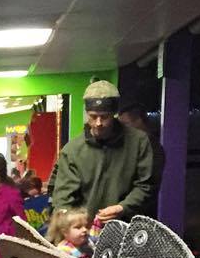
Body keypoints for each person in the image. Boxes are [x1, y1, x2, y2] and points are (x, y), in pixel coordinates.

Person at [51, 81, 154, 224]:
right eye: (93, 116)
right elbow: (63, 198)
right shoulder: (72, 150)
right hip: (84, 234)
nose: (98, 123)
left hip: (128, 229)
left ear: (114, 114)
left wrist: (122, 207)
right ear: (87, 113)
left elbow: (146, 185)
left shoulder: (138, 142)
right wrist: (70, 226)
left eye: (104, 117)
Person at [118, 102, 165, 210]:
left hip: (141, 210)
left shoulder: (150, 146)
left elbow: (147, 185)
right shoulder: (136, 144)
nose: (122, 130)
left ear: (139, 121)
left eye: (125, 124)